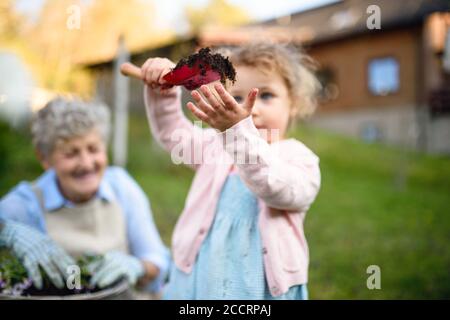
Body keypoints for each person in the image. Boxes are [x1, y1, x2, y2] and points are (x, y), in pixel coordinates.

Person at [140, 42, 322, 299]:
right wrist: (163, 90)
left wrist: (237, 131)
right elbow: (173, 134)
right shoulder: (216, 147)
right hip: (201, 275)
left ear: (293, 103)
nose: (250, 109)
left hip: (258, 286)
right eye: (235, 97)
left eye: (266, 95)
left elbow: (274, 188)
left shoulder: (298, 158)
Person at [0, 97, 169, 295]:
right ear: (44, 158)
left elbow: (157, 260)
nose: (87, 163)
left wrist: (139, 267)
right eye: (71, 154)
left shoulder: (121, 187)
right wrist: (7, 231)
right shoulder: (28, 202)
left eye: (93, 149)